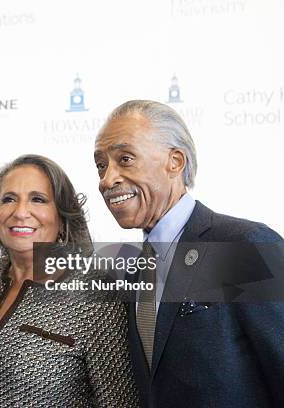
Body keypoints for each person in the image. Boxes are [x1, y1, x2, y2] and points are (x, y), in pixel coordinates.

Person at [93, 100, 284, 407]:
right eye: (101, 165)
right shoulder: (129, 271)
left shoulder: (244, 245)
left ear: (175, 162)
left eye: (125, 159)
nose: (106, 179)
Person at [0, 154, 139, 407]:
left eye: (37, 199)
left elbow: (120, 401)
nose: (20, 213)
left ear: (62, 217)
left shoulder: (97, 293)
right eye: (9, 199)